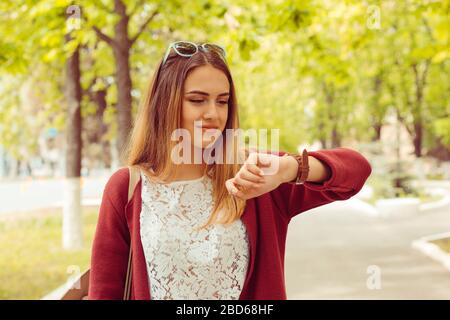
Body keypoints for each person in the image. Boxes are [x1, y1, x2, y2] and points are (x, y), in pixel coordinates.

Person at [88, 41, 372, 300]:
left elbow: (356, 171)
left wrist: (289, 168)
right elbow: (105, 293)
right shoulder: (128, 187)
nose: (213, 113)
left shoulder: (256, 176)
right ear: (164, 104)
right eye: (197, 100)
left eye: (222, 101)